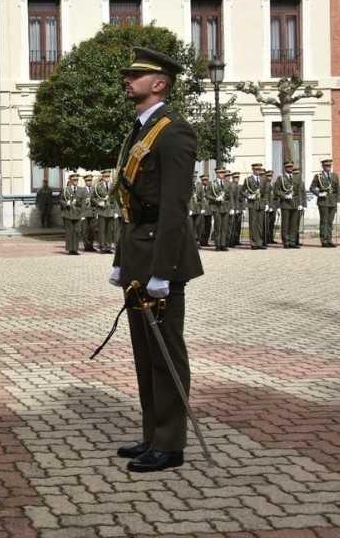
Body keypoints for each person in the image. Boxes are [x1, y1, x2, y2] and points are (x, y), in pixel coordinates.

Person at [109, 47, 203, 473]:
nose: (128, 80)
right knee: (145, 353)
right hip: (137, 252)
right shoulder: (141, 129)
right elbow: (129, 199)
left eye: (136, 75)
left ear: (160, 83)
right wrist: (120, 258)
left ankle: (170, 443)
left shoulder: (174, 131)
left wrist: (163, 271)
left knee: (165, 352)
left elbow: (173, 207)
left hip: (160, 258)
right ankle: (153, 433)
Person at [274, 160, 305, 248]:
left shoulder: (297, 178)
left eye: (291, 167)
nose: (290, 168)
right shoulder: (281, 178)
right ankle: (286, 241)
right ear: (285, 168)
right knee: (285, 223)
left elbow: (299, 191)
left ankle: (292, 241)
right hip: (285, 203)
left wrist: (300, 203)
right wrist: (284, 195)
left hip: (295, 202)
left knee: (294, 224)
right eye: (288, 167)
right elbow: (276, 190)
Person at [309, 159, 338, 247]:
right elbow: (312, 188)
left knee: (330, 221)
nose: (328, 167)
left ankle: (329, 239)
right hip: (323, 201)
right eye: (326, 166)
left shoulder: (335, 176)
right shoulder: (318, 176)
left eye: (329, 166)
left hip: (332, 200)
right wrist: (319, 194)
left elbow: (337, 189)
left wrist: (338, 201)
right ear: (323, 167)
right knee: (324, 221)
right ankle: (324, 240)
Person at [59, 174, 86, 255]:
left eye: (76, 180)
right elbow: (60, 200)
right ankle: (70, 249)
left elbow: (83, 203)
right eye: (74, 180)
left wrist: (83, 214)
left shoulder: (81, 190)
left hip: (77, 213)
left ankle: (75, 249)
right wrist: (65, 203)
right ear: (71, 181)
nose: (75, 182)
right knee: (69, 232)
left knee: (76, 232)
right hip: (68, 213)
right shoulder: (66, 190)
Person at [94, 170, 116, 253]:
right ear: (102, 178)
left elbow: (115, 198)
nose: (107, 178)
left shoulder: (112, 186)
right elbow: (92, 197)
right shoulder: (98, 187)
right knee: (102, 230)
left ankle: (108, 247)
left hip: (110, 210)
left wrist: (115, 211)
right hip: (102, 210)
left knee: (109, 230)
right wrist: (98, 203)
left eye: (108, 177)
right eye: (106, 177)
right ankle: (102, 247)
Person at [264, 169, 278, 244]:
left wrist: (277, 206)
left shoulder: (274, 184)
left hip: (274, 206)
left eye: (271, 176)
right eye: (268, 176)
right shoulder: (265, 184)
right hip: (268, 206)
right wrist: (267, 205)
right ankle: (266, 239)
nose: (270, 177)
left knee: (272, 223)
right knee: (266, 224)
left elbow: (276, 196)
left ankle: (271, 238)